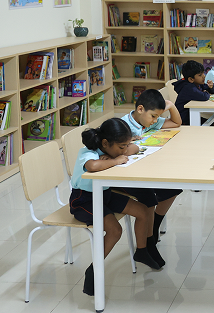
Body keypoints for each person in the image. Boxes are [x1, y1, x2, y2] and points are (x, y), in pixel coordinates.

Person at [68, 118, 161, 295]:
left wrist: (116, 155)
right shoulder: (87, 152)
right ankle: (93, 269)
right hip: (84, 200)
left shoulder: (111, 150)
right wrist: (115, 161)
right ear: (105, 143)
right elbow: (92, 166)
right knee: (115, 231)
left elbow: (135, 148)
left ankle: (141, 251)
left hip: (105, 194)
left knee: (143, 211)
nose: (125, 150)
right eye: (121, 146)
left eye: (125, 145)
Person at [120, 89, 183, 255]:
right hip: (129, 175)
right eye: (154, 116)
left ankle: (155, 224)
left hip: (148, 167)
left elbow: (176, 123)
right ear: (140, 109)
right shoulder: (122, 126)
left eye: (157, 117)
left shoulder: (149, 121)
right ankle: (148, 237)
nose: (156, 120)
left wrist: (171, 106)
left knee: (174, 187)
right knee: (151, 196)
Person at [172, 60, 214, 125]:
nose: (204, 76)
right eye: (200, 75)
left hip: (191, 115)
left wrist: (211, 87)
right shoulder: (189, 88)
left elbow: (212, 90)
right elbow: (204, 97)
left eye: (203, 73)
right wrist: (206, 91)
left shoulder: (197, 83)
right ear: (191, 79)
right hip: (183, 120)